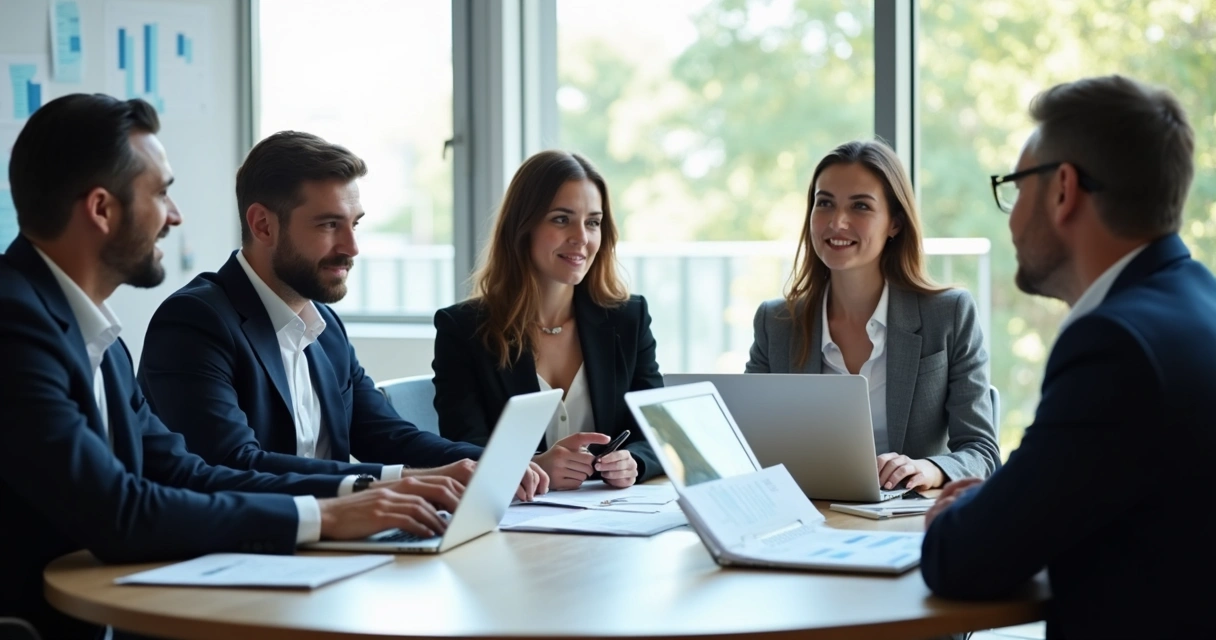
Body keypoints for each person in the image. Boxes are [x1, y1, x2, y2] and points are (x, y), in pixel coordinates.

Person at [0, 94, 462, 639]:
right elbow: (119, 512)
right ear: (102, 209)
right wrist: (329, 515)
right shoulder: (15, 324)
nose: (174, 216)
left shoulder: (96, 334)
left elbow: (182, 471)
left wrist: (355, 496)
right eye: (162, 193)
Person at [921, 75, 1214, 638]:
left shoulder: (1116, 347)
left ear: (1062, 190)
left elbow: (962, 561)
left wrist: (955, 515)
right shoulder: (1198, 301)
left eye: (1014, 186)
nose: (1010, 217)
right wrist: (1004, 500)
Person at [137, 131, 545, 501]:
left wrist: (494, 463)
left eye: (355, 224)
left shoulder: (325, 328)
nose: (352, 247)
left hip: (335, 544)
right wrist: (398, 482)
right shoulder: (195, 322)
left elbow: (387, 436)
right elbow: (234, 463)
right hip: (241, 551)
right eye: (329, 225)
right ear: (263, 225)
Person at [746, 140, 999, 491]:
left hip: (908, 519)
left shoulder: (949, 314)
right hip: (810, 514)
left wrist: (929, 469)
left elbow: (981, 452)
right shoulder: (776, 323)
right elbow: (743, 442)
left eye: (861, 206)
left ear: (894, 223)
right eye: (825, 203)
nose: (837, 222)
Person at [433, 150, 663, 490]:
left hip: (612, 513)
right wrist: (530, 467)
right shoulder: (464, 329)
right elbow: (464, 447)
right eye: (561, 219)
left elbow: (656, 428)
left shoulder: (628, 319)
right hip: (516, 520)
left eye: (593, 222)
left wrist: (635, 461)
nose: (581, 238)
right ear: (522, 226)